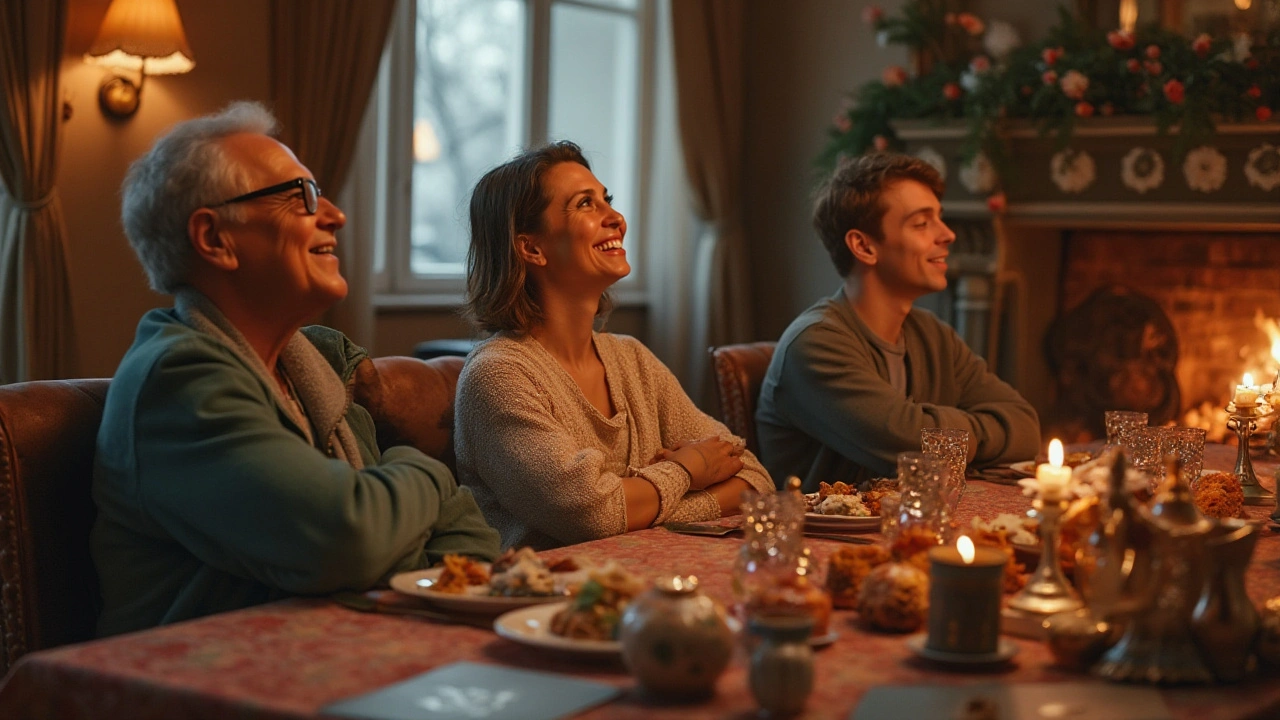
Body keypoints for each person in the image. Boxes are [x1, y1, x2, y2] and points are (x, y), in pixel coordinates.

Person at [91, 102, 500, 637]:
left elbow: (469, 543)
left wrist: (443, 588)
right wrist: (429, 471)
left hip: (349, 650)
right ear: (215, 239)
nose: (335, 214)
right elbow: (346, 539)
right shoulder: (179, 378)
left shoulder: (318, 362)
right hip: (201, 679)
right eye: (301, 197)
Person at [454, 141, 774, 550]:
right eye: (585, 204)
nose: (617, 218)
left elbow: (754, 479)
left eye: (607, 200)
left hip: (648, 588)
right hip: (543, 605)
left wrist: (640, 501)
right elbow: (592, 515)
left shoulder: (631, 358)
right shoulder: (499, 375)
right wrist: (688, 469)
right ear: (531, 247)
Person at [756, 153, 1040, 491]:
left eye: (940, 218)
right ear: (864, 246)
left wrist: (933, 427)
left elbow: (1026, 427)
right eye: (921, 224)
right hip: (824, 540)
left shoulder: (932, 334)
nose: (947, 235)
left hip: (912, 526)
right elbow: (918, 447)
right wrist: (949, 430)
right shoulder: (816, 344)